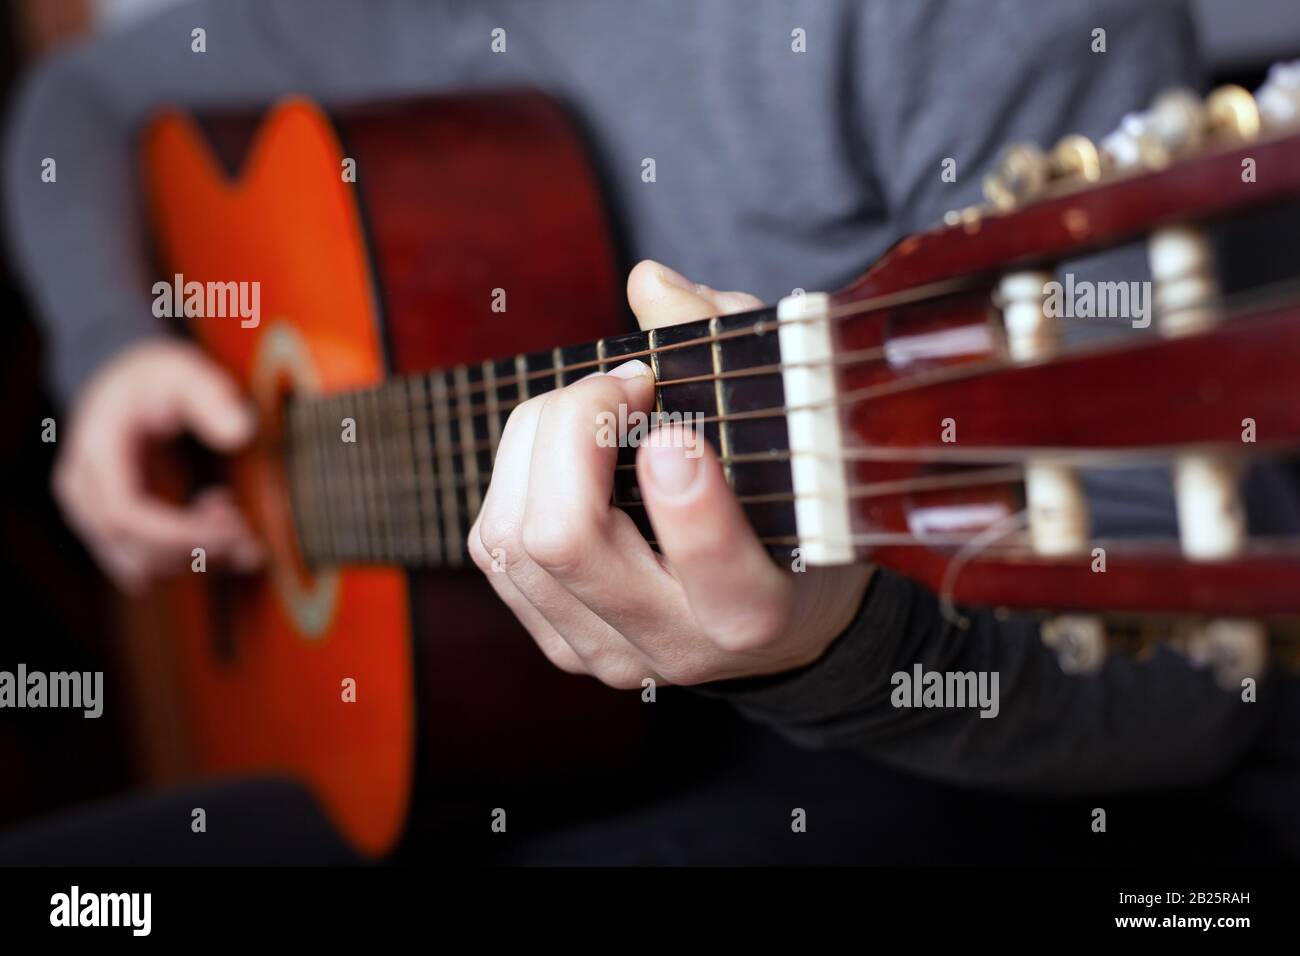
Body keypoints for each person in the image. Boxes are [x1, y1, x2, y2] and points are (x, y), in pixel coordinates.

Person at [6, 0, 1296, 862]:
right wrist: (113, 349)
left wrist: (826, 647)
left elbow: (1200, 690)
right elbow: (76, 109)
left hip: (885, 763)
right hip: (481, 733)